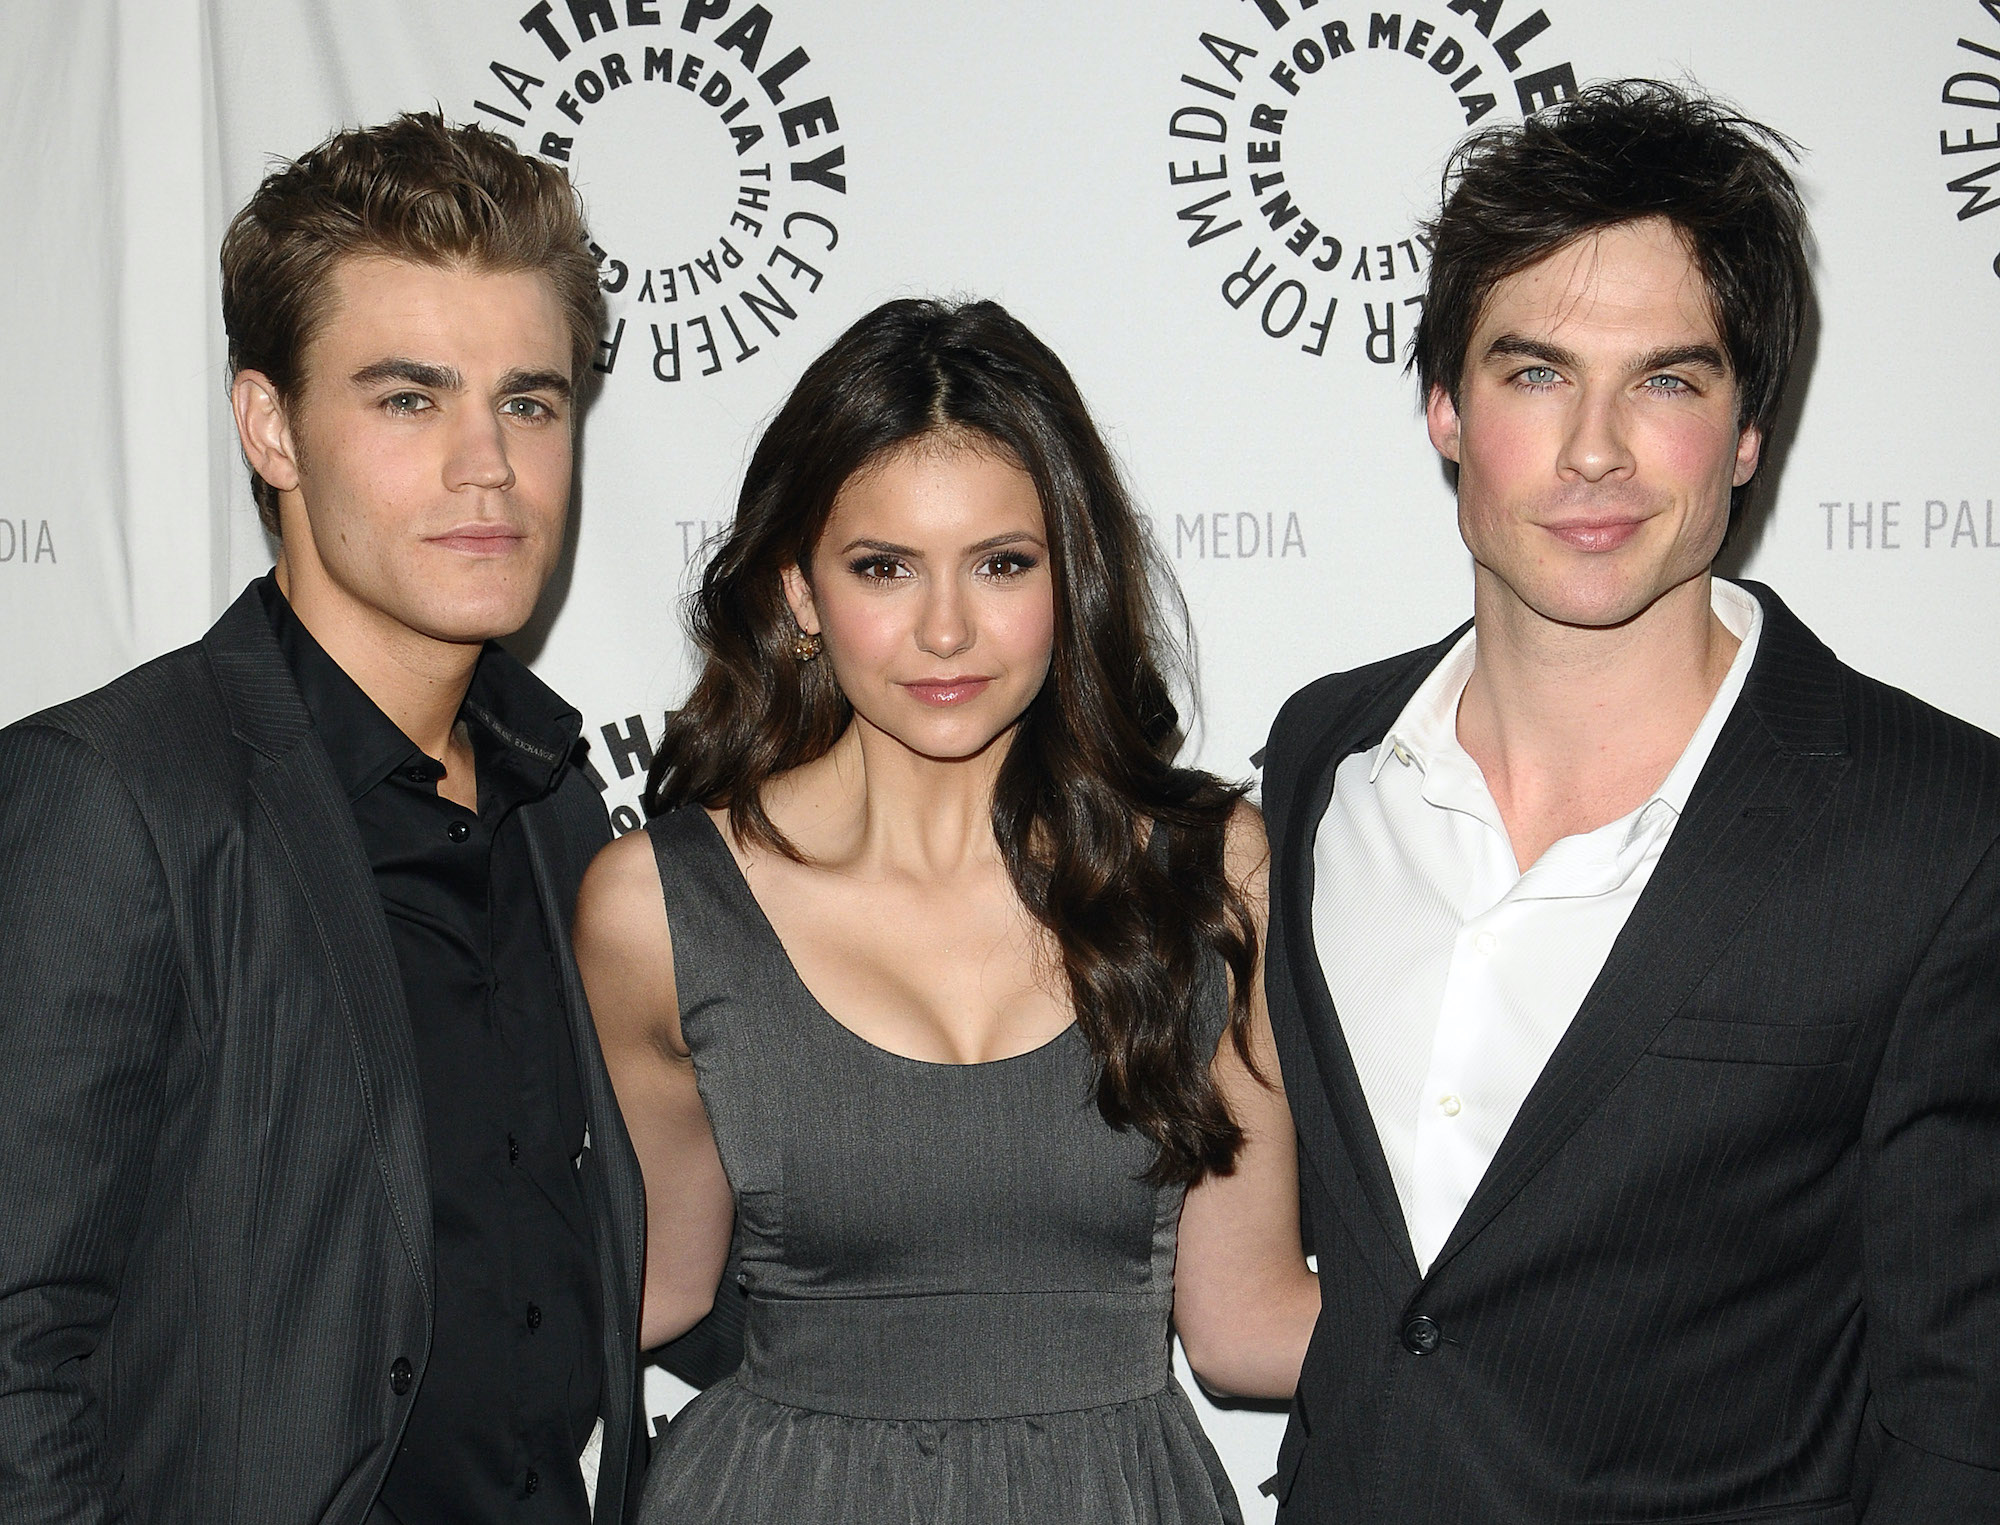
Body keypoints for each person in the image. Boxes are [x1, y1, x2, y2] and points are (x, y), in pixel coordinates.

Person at [1258, 79, 2000, 1522]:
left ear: (1745, 434)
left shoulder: (1943, 832)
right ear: (1444, 411)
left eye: (1666, 379)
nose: (1595, 449)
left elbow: (1964, 1413)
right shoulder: (1318, 761)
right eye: (1535, 373)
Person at [0, 112, 733, 1525]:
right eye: (409, 399)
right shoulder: (113, 797)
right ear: (269, 424)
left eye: (530, 400)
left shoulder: (558, 802)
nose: (489, 468)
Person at [572, 296, 1320, 1523]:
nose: (944, 629)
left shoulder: (1203, 872)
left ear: (1068, 574)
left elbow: (1242, 1323)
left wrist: (1565, 1338)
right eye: (881, 567)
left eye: (1000, 563)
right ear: (798, 591)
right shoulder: (659, 907)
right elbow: (651, 1285)